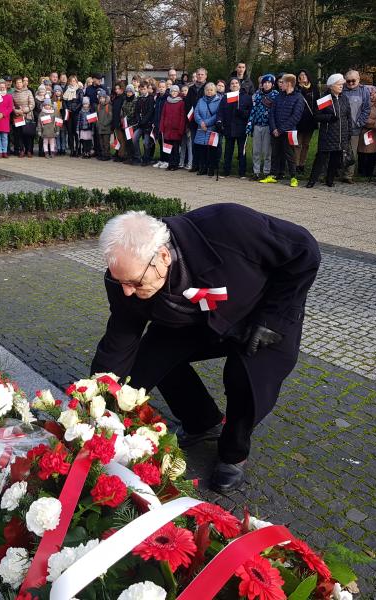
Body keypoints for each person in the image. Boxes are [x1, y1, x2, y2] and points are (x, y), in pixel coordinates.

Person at [90, 207, 320, 492]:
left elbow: (304, 251)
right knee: (147, 361)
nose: (126, 291)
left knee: (243, 378)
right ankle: (202, 421)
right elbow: (120, 339)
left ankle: (233, 453)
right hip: (196, 319)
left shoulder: (229, 227)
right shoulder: (124, 279)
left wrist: (274, 316)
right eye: (121, 282)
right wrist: (97, 399)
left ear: (163, 256)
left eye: (135, 283)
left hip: (260, 317)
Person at [307, 74, 352, 188]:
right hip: (328, 134)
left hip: (341, 134)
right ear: (332, 86)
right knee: (321, 158)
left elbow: (348, 116)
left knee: (335, 159)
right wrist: (329, 118)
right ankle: (312, 180)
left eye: (342, 84)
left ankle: (330, 180)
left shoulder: (344, 98)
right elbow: (316, 116)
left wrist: (349, 131)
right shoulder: (325, 98)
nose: (341, 86)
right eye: (339, 84)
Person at [266, 73, 304, 186]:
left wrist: (281, 129)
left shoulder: (298, 97)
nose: (280, 84)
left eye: (282, 82)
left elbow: (296, 116)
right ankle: (272, 175)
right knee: (275, 153)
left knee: (290, 154)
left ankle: (293, 177)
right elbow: (272, 112)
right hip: (275, 131)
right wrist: (274, 128)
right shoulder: (279, 96)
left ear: (288, 83)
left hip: (289, 131)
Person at [217, 78, 252, 178]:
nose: (234, 85)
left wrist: (242, 112)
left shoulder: (247, 98)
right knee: (228, 151)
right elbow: (220, 111)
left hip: (241, 128)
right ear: (230, 86)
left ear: (240, 85)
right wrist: (219, 121)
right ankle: (226, 171)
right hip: (229, 128)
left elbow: (250, 113)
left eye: (236, 83)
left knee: (242, 151)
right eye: (232, 83)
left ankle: (242, 172)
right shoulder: (226, 97)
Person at [340, 70, 371, 182]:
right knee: (338, 150)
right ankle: (336, 172)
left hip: (354, 127)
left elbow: (367, 108)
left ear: (358, 79)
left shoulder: (364, 91)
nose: (351, 83)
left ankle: (348, 175)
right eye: (348, 81)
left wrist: (359, 123)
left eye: (353, 80)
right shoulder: (341, 89)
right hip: (340, 127)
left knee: (351, 151)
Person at [246, 74, 278, 180]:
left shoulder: (276, 95)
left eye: (269, 83)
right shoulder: (257, 95)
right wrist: (250, 125)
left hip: (268, 126)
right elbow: (253, 110)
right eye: (265, 83)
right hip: (257, 125)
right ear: (262, 84)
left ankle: (266, 171)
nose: (267, 84)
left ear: (272, 84)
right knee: (256, 150)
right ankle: (256, 172)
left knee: (267, 151)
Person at [193, 82, 222, 176]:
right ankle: (203, 168)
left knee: (212, 150)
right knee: (202, 149)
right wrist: (201, 122)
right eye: (207, 90)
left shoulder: (219, 100)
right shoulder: (201, 100)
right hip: (201, 128)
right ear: (204, 91)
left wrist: (206, 123)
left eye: (211, 90)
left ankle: (211, 168)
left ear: (215, 91)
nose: (209, 91)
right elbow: (196, 113)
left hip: (212, 128)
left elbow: (217, 115)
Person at [295, 69, 319, 175]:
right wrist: (300, 87)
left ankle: (302, 164)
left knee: (306, 144)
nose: (303, 76)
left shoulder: (314, 89)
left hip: (310, 120)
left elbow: (318, 103)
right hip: (299, 120)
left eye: (305, 75)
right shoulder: (296, 89)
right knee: (297, 144)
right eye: (301, 75)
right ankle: (295, 164)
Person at [159, 83, 186, 171]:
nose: (174, 92)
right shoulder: (167, 102)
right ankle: (170, 164)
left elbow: (182, 117)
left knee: (175, 148)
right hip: (167, 129)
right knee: (168, 148)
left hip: (176, 129)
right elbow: (163, 115)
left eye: (176, 91)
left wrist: (181, 129)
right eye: (172, 91)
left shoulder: (181, 102)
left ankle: (175, 164)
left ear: (178, 92)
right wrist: (162, 127)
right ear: (170, 92)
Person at [186, 68, 207, 172]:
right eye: (198, 74)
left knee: (203, 144)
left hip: (204, 121)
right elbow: (187, 104)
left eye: (202, 74)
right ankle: (195, 165)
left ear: (205, 76)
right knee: (194, 143)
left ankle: (203, 166)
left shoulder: (208, 88)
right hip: (193, 120)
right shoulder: (191, 88)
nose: (200, 76)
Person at [131, 81, 156, 166]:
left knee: (146, 142)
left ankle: (146, 158)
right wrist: (138, 120)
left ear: (147, 89)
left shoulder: (151, 98)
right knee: (134, 138)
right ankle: (138, 157)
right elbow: (137, 111)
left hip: (147, 125)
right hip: (140, 125)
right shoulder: (139, 98)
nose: (143, 91)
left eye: (144, 89)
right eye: (141, 89)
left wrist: (143, 121)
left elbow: (150, 112)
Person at [358, 86, 376, 177]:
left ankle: (370, 171)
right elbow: (359, 115)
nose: (371, 96)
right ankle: (361, 171)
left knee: (373, 152)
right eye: (369, 94)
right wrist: (371, 123)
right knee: (362, 151)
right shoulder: (362, 101)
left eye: (373, 93)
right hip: (364, 130)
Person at [63, 76, 83, 157]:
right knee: (70, 132)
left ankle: (78, 149)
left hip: (76, 113)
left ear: (76, 81)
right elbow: (64, 101)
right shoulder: (66, 89)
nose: (72, 82)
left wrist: (75, 109)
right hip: (68, 113)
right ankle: (72, 150)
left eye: (74, 81)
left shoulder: (79, 90)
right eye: (71, 81)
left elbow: (81, 102)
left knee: (76, 132)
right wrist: (66, 109)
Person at [120, 84, 138, 164]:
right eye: (127, 91)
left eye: (130, 91)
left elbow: (132, 112)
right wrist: (123, 116)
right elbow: (122, 109)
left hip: (132, 124)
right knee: (127, 140)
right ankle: (129, 156)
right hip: (125, 123)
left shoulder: (135, 100)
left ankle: (134, 157)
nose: (128, 93)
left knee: (131, 140)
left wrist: (126, 116)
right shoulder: (125, 100)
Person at [178, 85, 193, 171]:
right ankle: (181, 162)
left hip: (188, 125)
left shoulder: (189, 101)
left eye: (185, 90)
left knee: (189, 145)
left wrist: (188, 126)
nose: (184, 92)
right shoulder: (180, 101)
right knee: (183, 144)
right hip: (181, 126)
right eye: (182, 90)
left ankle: (190, 163)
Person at [96, 90, 112, 161]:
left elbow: (110, 117)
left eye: (103, 98)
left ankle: (107, 155)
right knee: (101, 142)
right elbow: (97, 116)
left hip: (106, 127)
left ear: (105, 98)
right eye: (100, 98)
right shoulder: (98, 106)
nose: (101, 99)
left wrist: (104, 124)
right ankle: (103, 154)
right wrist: (98, 124)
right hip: (100, 127)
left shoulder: (108, 106)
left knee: (106, 142)